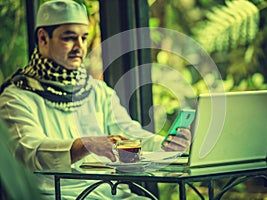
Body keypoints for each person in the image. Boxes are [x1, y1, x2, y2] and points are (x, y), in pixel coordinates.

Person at [0, 0, 191, 199]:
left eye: (84, 38)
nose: (80, 47)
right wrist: (84, 144)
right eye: (69, 38)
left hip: (111, 193)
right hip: (56, 196)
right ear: (43, 38)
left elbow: (130, 135)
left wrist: (165, 146)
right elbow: (29, 151)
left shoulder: (98, 91)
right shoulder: (15, 98)